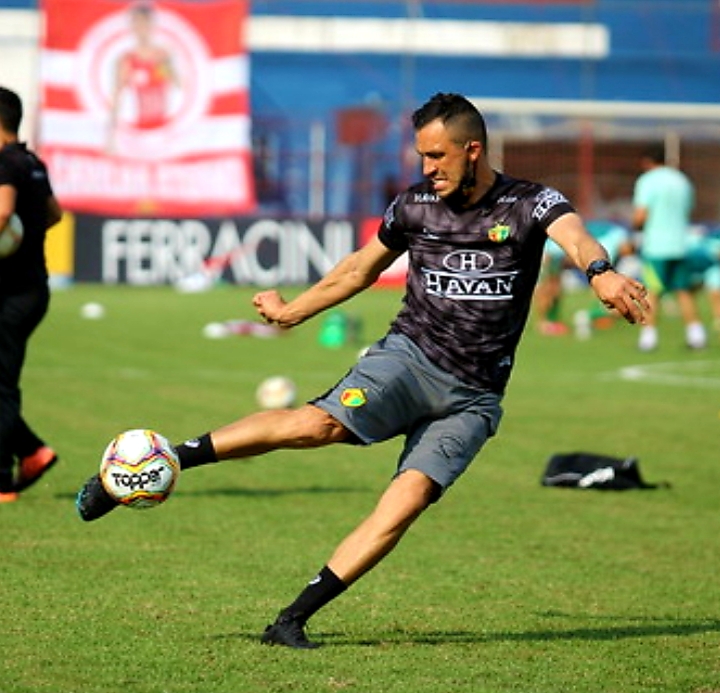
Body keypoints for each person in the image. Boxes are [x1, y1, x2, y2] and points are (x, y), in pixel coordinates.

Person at [76, 93, 650, 647]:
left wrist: (600, 272)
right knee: (317, 425)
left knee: (404, 504)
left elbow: (575, 237)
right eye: (421, 156)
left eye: (437, 156)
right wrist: (291, 312)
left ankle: (291, 620)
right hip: (409, 359)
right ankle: (165, 459)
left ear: (472, 150)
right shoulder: (414, 206)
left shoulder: (531, 202)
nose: (427, 168)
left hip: (474, 398)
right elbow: (358, 270)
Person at [0, 86, 63, 503]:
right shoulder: (32, 161)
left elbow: (3, 212)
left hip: (9, 294)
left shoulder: (4, 163)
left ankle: (2, 481)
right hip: (33, 288)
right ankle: (31, 449)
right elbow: (54, 214)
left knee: (1, 385)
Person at [632, 145, 707, 351]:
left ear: (646, 162)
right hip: (681, 244)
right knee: (684, 291)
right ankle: (697, 335)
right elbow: (688, 210)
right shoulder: (682, 180)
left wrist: (635, 227)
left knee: (652, 292)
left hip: (656, 246)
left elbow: (640, 215)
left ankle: (648, 338)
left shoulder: (647, 181)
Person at [107, 2, 179, 151]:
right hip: (139, 133)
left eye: (144, 22)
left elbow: (180, 87)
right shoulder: (126, 60)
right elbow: (117, 99)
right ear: (132, 26)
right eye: (137, 22)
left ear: (151, 24)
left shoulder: (163, 55)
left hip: (165, 131)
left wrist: (168, 66)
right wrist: (110, 138)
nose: (141, 27)